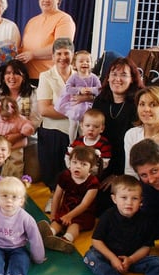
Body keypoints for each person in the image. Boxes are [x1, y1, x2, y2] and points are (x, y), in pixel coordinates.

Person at [83, 175, 159, 275]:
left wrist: (131, 260)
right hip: (109, 258)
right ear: (114, 199)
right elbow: (96, 241)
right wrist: (112, 258)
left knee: (158, 262)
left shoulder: (146, 220)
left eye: (134, 198)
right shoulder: (108, 216)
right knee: (90, 257)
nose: (129, 203)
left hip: (133, 259)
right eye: (124, 198)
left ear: (141, 201)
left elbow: (146, 247)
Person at [92, 57, 143, 210]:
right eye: (114, 74)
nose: (117, 79)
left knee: (109, 203)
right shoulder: (101, 101)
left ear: (132, 79)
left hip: (127, 164)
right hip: (103, 161)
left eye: (123, 75)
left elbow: (136, 147)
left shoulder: (137, 105)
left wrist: (117, 174)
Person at [38, 145, 99, 254]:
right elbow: (57, 196)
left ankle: (65, 240)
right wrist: (53, 214)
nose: (78, 166)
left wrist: (70, 216)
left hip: (83, 214)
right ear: (69, 163)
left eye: (83, 164)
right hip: (66, 208)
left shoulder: (93, 182)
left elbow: (85, 204)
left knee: (74, 225)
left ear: (91, 167)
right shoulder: (65, 175)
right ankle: (48, 234)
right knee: (57, 221)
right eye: (74, 162)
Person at [17, 0, 76, 83]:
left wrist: (33, 54)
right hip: (28, 77)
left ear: (58, 0)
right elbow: (24, 48)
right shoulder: (32, 21)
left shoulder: (64, 19)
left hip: (51, 78)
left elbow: (61, 49)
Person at [36, 37, 75, 192]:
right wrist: (75, 110)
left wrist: (60, 108)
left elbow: (88, 105)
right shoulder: (45, 76)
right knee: (53, 178)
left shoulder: (82, 76)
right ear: (52, 57)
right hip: (52, 132)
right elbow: (44, 109)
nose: (62, 58)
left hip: (76, 133)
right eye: (58, 54)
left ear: (73, 55)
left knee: (73, 174)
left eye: (66, 53)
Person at [54, 50, 101, 142]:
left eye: (88, 61)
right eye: (81, 61)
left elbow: (100, 90)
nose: (85, 63)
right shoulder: (74, 77)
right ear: (75, 65)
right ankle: (72, 143)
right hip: (76, 105)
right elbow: (68, 88)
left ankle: (85, 142)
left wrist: (91, 90)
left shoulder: (94, 77)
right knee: (73, 123)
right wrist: (79, 90)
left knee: (86, 125)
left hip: (88, 105)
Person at [64, 109, 112, 176]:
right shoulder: (78, 141)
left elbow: (105, 162)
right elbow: (68, 155)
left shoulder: (104, 143)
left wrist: (89, 170)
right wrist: (70, 167)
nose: (91, 129)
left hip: (93, 175)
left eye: (96, 127)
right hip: (75, 172)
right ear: (82, 126)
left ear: (102, 129)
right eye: (87, 125)